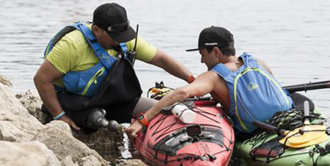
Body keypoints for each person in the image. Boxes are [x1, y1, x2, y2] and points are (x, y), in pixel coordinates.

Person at [34, 3, 194, 132]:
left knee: (160, 110)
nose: (120, 41)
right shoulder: (72, 45)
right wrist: (59, 116)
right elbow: (41, 80)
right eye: (115, 37)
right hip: (74, 101)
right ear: (96, 30)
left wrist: (192, 80)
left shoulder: (124, 39)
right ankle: (55, 111)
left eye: (123, 36)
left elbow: (161, 60)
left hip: (110, 99)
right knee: (95, 117)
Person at [125, 26, 305, 140]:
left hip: (254, 133)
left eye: (203, 54)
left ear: (216, 52)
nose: (202, 61)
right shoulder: (257, 62)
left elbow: (181, 94)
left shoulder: (213, 77)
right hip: (288, 120)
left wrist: (143, 120)